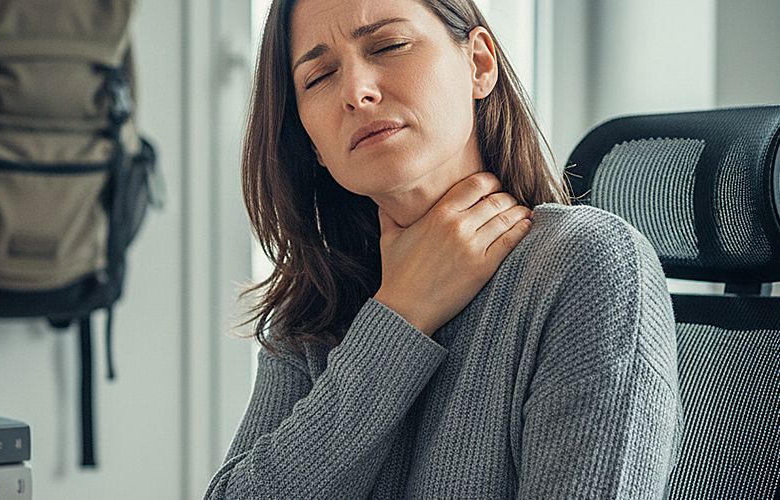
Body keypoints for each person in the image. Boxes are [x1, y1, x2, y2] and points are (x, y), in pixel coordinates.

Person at [206, 0, 682, 497]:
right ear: (313, 145)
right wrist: (400, 315)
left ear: (478, 64)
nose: (356, 92)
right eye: (320, 77)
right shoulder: (312, 310)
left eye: (390, 45)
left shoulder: (589, 263)